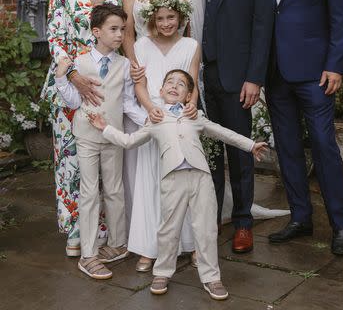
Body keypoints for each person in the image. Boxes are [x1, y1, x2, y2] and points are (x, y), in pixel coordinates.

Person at [88, 69, 268, 300]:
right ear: (161, 91)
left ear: (188, 95)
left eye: (181, 84)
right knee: (168, 229)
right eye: (169, 83)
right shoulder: (155, 119)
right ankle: (162, 272)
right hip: (172, 180)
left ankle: (212, 278)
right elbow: (129, 141)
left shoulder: (195, 116)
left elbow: (222, 133)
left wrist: (250, 145)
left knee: (206, 229)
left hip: (200, 178)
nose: (174, 86)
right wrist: (105, 128)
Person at [265, 0, 343, 255]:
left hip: (316, 73)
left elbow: (340, 16)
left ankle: (341, 225)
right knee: (287, 149)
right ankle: (301, 217)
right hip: (276, 73)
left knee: (323, 145)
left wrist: (335, 64)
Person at [122, 0, 205, 271]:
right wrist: (135, 66)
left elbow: (194, 39)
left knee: (181, 168)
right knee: (145, 170)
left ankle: (185, 240)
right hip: (145, 72)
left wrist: (193, 94)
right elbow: (127, 31)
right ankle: (146, 243)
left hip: (179, 78)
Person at [195, 0, 275, 253]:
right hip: (199, 76)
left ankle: (243, 221)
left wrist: (255, 77)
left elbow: (262, 24)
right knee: (207, 150)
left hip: (237, 77)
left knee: (240, 151)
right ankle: (213, 213)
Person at [41, 0, 123, 257]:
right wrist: (73, 75)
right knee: (71, 160)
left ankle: (101, 228)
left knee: (104, 157)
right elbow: (56, 36)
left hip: (106, 86)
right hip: (70, 85)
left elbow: (123, 37)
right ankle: (74, 229)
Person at [54, 4, 146, 279]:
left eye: (122, 30)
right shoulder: (79, 64)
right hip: (87, 136)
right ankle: (89, 254)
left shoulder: (123, 65)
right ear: (96, 32)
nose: (120, 35)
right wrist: (61, 78)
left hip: (113, 135)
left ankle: (117, 244)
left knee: (116, 190)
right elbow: (72, 100)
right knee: (90, 192)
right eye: (114, 30)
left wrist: (151, 121)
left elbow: (128, 104)